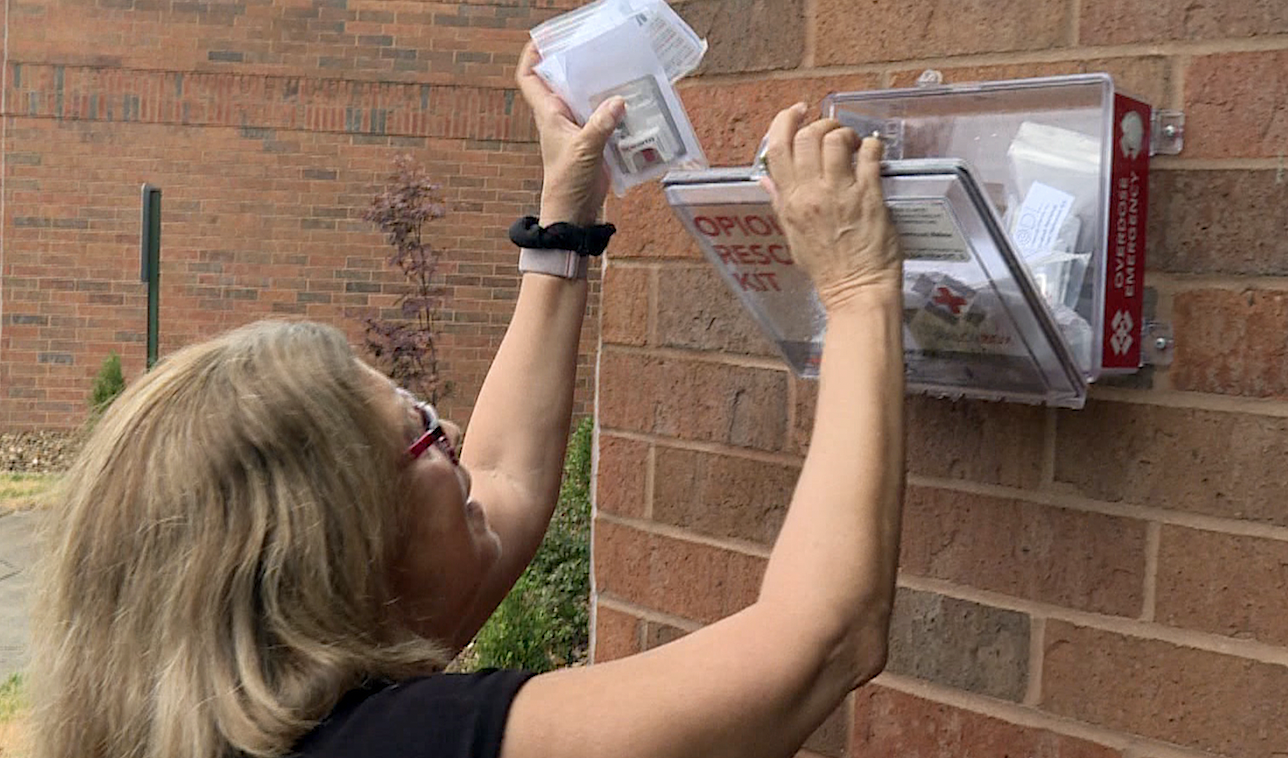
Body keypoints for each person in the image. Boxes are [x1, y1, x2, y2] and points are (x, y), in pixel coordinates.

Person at [29, 43, 906, 758]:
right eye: (420, 435)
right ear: (342, 549)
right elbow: (821, 645)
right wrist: (860, 286)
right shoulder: (403, 743)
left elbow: (502, 481)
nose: (451, 432)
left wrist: (563, 226)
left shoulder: (176, 716)